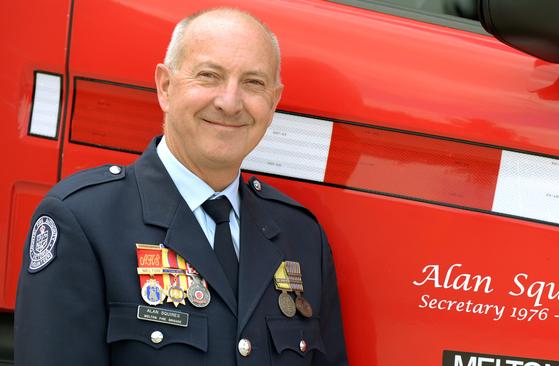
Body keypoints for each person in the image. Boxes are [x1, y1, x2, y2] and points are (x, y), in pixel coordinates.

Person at [14, 8, 348, 365]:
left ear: (274, 102)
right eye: (209, 76)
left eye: (253, 83)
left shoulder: (302, 238)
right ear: (166, 86)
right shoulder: (83, 221)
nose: (230, 102)